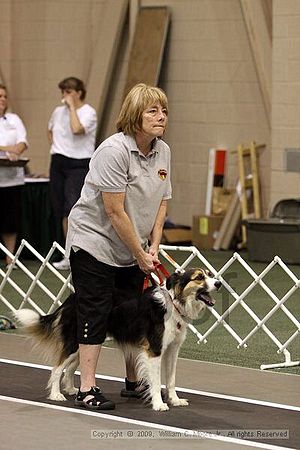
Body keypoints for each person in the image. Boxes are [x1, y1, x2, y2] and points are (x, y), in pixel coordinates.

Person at [65, 83, 171, 410]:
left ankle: (133, 381)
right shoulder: (113, 151)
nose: (161, 116)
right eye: (152, 110)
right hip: (94, 242)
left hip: (132, 244)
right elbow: (114, 210)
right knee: (96, 311)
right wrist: (139, 254)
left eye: (164, 110)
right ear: (134, 116)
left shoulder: (163, 151)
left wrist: (152, 247)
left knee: (134, 312)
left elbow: (162, 201)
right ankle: (87, 387)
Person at [48, 77, 97, 270]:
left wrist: (71, 108)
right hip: (59, 160)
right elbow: (49, 130)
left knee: (72, 208)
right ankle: (67, 252)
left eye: (68, 91)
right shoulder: (57, 111)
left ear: (78, 93)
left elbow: (77, 129)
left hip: (79, 163)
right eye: (63, 92)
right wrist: (56, 145)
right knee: (60, 208)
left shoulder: (88, 112)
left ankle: (74, 255)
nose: (64, 96)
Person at [0, 84, 28, 269]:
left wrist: (12, 150)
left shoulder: (14, 119)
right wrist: (8, 149)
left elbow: (22, 143)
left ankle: (10, 258)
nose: (2, 99)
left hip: (12, 179)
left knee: (11, 221)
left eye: (4, 96)